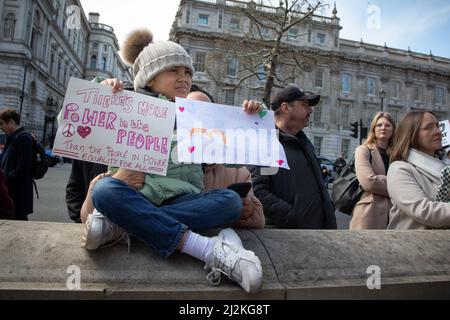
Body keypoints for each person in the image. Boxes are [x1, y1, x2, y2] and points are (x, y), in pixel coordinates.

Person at [80, 29, 263, 293]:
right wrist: (101, 92)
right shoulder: (123, 103)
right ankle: (206, 249)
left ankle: (123, 225)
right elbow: (73, 124)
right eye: (173, 71)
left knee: (230, 202)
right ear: (150, 78)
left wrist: (250, 119)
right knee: (103, 191)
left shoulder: (195, 118)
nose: (184, 78)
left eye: (188, 72)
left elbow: (236, 157)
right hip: (135, 195)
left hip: (184, 199)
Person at [250, 86, 337, 229]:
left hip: (319, 233)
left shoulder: (304, 143)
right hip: (290, 237)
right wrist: (294, 217)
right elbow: (258, 190)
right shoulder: (268, 142)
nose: (310, 110)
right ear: (286, 108)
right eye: (304, 105)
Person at [187, 86, 265, 229]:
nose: (200, 120)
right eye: (192, 111)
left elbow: (258, 221)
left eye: (206, 113)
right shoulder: (166, 165)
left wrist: (246, 210)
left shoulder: (237, 171)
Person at [387, 111, 450, 229]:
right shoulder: (400, 169)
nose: (437, 131)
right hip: (414, 245)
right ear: (412, 134)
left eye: (437, 126)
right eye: (428, 128)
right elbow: (424, 211)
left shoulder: (445, 166)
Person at [350, 112, 396, 230]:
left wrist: (381, 180)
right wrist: (399, 187)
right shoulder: (363, 150)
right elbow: (369, 182)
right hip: (369, 213)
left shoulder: (398, 154)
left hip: (395, 215)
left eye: (387, 125)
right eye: (379, 125)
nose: (383, 128)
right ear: (373, 129)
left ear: (393, 129)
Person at [0, 109, 33, 221]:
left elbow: (24, 166)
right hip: (12, 191)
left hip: (17, 193)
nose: (1, 127)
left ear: (11, 122)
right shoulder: (14, 137)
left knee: (19, 222)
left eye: (2, 123)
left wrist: (8, 179)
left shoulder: (23, 138)